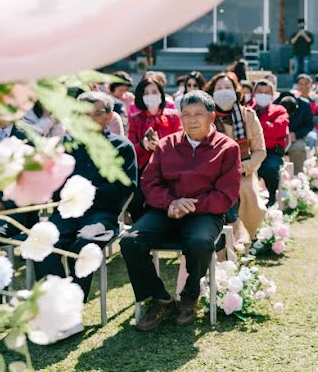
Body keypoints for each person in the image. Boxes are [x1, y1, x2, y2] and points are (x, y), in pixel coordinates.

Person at [120, 90, 241, 330]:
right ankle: (159, 298)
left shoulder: (228, 148)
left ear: (212, 116)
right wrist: (170, 203)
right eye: (186, 114)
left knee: (199, 242)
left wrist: (191, 205)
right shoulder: (167, 144)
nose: (192, 119)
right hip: (167, 210)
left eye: (198, 114)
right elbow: (149, 182)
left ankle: (189, 296)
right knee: (130, 240)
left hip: (206, 213)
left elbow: (226, 194)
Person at [35, 91, 137, 302]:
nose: (89, 120)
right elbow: (54, 184)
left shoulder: (122, 147)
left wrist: (86, 193)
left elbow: (124, 188)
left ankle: (74, 304)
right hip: (66, 211)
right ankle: (57, 301)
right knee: (42, 242)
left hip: (102, 215)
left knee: (84, 243)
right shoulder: (66, 147)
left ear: (110, 116)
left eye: (97, 114)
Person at [206, 72, 267, 246]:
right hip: (213, 174)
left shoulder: (248, 116)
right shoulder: (205, 118)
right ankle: (223, 240)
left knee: (247, 195)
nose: (223, 91)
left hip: (244, 171)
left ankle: (244, 237)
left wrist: (243, 168)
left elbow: (260, 151)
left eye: (227, 88)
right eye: (219, 88)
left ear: (236, 91)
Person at [127, 74, 182, 220]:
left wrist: (161, 146)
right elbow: (130, 148)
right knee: (135, 200)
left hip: (167, 168)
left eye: (154, 92)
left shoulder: (173, 117)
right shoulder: (135, 119)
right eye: (146, 93)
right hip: (142, 168)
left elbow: (180, 143)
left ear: (161, 94)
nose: (150, 96)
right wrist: (143, 145)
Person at [251, 80, 289, 197]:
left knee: (271, 169)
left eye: (267, 92)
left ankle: (272, 199)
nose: (263, 94)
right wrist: (268, 124)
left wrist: (256, 126)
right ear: (254, 94)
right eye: (260, 92)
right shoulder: (248, 110)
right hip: (250, 152)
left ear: (272, 95)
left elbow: (278, 130)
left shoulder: (280, 110)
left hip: (272, 152)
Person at [276, 85, 314, 172]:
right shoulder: (274, 104)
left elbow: (309, 125)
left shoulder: (305, 106)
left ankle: (297, 177)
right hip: (277, 138)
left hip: (297, 137)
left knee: (298, 147)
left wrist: (295, 134)